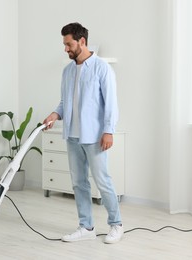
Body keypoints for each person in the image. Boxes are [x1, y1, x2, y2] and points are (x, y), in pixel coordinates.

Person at [43, 22, 123, 244]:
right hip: (73, 136)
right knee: (79, 183)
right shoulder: (68, 71)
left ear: (82, 41)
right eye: (64, 44)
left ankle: (116, 225)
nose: (66, 49)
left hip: (95, 136)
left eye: (69, 44)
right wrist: (54, 115)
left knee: (102, 181)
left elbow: (111, 104)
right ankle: (86, 225)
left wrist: (109, 131)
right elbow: (64, 102)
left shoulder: (102, 68)